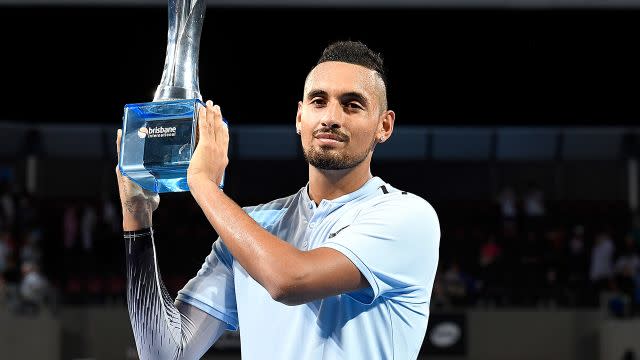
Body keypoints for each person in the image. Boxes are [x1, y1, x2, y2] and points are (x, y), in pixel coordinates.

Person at [116, 41, 440, 360]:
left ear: (384, 125)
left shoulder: (407, 216)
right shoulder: (251, 228)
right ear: (300, 118)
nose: (331, 117)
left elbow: (289, 281)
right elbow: (164, 354)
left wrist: (203, 183)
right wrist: (137, 218)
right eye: (318, 101)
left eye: (352, 104)